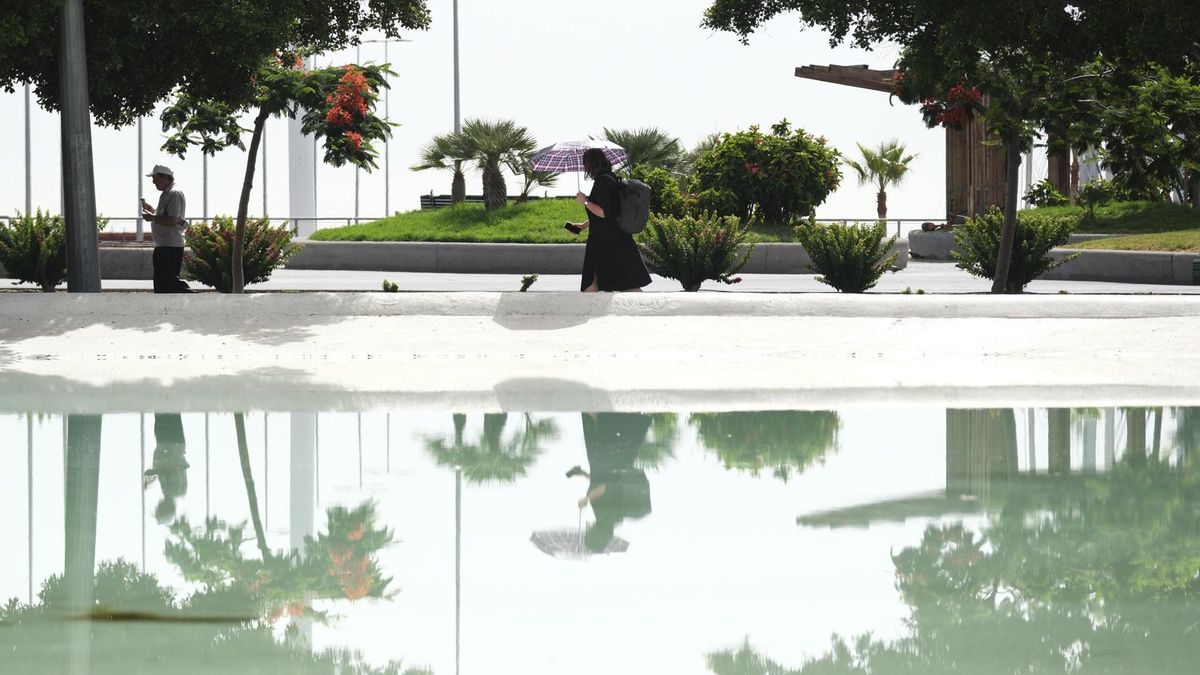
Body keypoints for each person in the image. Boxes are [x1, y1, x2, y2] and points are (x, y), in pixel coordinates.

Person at [565, 148, 651, 292]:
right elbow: (610, 213)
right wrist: (583, 226)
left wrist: (585, 201)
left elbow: (604, 213)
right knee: (599, 282)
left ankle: (648, 313)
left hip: (608, 242)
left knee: (625, 285)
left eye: (586, 164)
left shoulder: (602, 182)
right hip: (612, 239)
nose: (585, 168)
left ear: (591, 164)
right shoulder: (611, 178)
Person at [567, 412, 653, 552]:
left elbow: (606, 483)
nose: (586, 531)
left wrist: (582, 474)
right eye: (588, 535)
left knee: (599, 424)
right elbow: (606, 487)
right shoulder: (604, 514)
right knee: (600, 424)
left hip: (616, 462)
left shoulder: (614, 518)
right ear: (596, 534)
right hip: (605, 459)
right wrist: (586, 499)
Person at [141, 164, 192, 293]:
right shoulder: (166, 193)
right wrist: (151, 210)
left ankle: (191, 296)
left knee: (167, 283)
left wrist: (152, 218)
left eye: (155, 179)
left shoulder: (174, 193)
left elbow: (172, 220)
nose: (153, 182)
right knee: (163, 282)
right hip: (164, 245)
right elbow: (164, 215)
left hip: (170, 246)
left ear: (165, 177)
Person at [142, 413, 190, 524]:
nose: (157, 506)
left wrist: (150, 479)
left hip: (166, 443)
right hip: (171, 443)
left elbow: (167, 472)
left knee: (162, 413)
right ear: (166, 509)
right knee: (167, 412)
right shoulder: (177, 492)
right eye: (159, 510)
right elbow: (175, 470)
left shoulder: (168, 492)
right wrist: (154, 472)